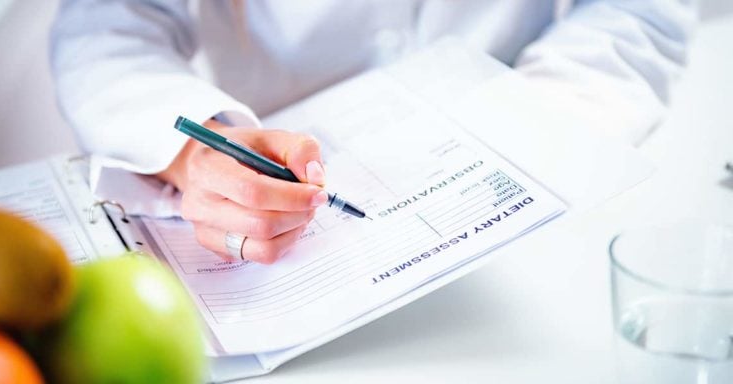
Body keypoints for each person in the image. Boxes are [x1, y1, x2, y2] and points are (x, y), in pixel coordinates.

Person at [50, 0, 696, 264]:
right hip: (285, 210)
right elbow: (107, 26)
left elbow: (636, 14)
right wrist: (193, 152)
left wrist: (535, 132)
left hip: (546, 188)